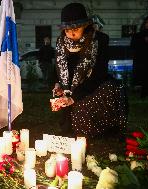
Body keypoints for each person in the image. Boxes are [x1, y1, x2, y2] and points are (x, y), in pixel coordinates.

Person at [52, 3, 128, 139]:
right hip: (70, 89)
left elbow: (99, 73)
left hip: (92, 87)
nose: (71, 33)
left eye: (75, 28)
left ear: (85, 25)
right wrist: (58, 84)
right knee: (69, 129)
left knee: (87, 120)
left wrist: (73, 98)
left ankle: (98, 127)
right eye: (67, 30)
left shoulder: (99, 40)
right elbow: (59, 68)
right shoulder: (61, 42)